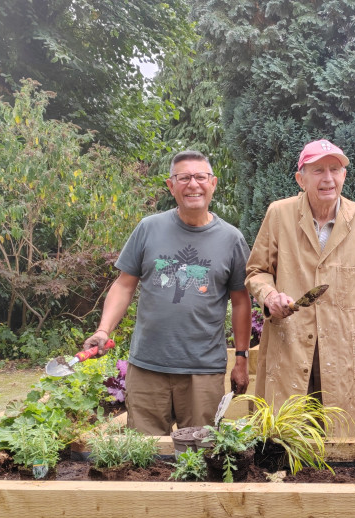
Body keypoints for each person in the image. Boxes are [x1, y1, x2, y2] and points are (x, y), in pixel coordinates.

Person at [83, 150, 252, 435]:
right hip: (148, 366)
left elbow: (241, 302)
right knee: (146, 457)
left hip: (203, 370)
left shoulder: (231, 239)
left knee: (201, 456)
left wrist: (242, 359)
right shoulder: (149, 228)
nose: (193, 184)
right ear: (170, 186)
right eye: (183, 178)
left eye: (200, 177)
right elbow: (124, 284)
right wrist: (103, 330)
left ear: (213, 183)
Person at [245, 139, 355, 439]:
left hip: (343, 352)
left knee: (344, 448)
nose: (328, 178)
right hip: (289, 345)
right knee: (282, 443)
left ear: (344, 176)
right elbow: (256, 271)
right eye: (318, 170)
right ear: (301, 178)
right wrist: (270, 296)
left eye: (335, 169)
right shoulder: (279, 215)